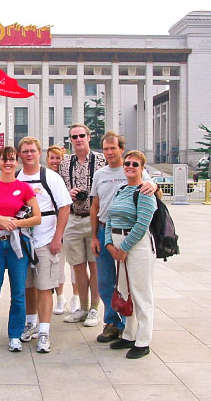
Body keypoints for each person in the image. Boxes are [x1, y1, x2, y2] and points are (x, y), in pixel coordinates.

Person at [90, 132, 158, 343]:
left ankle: (142, 338)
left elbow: (149, 206)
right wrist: (99, 238)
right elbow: (98, 207)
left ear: (121, 149)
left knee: (139, 291)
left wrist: (155, 185)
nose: (109, 152)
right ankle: (116, 326)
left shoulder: (138, 179)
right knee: (110, 285)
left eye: (113, 148)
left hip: (133, 242)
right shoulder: (103, 176)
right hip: (107, 235)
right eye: (106, 149)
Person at [0, 146, 41, 353]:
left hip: (17, 245)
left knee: (19, 293)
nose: (8, 163)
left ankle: (15, 334)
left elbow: (37, 218)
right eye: (4, 160)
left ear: (17, 162)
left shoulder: (23, 188)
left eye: (12, 160)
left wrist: (14, 223)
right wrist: (0, 220)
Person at [17, 138, 71, 353]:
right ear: (20, 154)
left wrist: (58, 237)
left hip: (46, 240)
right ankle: (30, 323)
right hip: (22, 241)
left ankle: (45, 331)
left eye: (32, 151)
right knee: (27, 286)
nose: (29, 154)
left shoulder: (51, 177)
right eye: (25, 151)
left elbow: (65, 207)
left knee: (45, 287)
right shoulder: (17, 177)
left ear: (39, 153)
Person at [105, 150, 157, 359]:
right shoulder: (121, 190)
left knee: (141, 293)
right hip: (119, 247)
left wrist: (124, 247)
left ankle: (143, 340)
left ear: (142, 168)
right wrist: (110, 244)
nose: (130, 167)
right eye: (127, 163)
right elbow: (110, 217)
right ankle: (128, 334)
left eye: (135, 164)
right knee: (125, 291)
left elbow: (142, 223)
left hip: (137, 248)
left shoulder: (144, 192)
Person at [59, 124, 106, 327]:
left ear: (89, 137)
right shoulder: (65, 163)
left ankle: (95, 308)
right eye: (74, 137)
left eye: (81, 136)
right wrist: (67, 193)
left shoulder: (101, 160)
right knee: (77, 265)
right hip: (73, 218)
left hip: (94, 219)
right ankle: (83, 307)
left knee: (94, 266)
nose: (78, 139)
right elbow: (59, 188)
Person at [46, 145, 80, 315]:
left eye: (58, 158)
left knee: (75, 263)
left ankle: (76, 297)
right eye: (51, 158)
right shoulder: (44, 177)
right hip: (52, 226)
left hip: (71, 223)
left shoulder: (70, 177)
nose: (55, 161)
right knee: (57, 264)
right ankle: (60, 298)